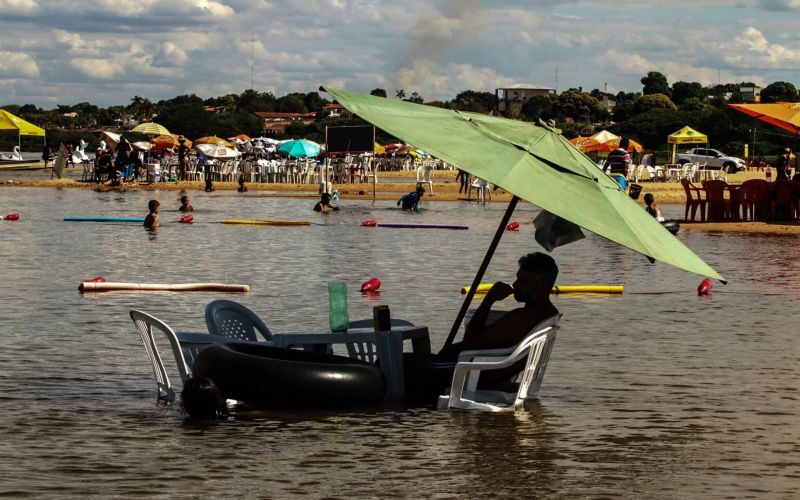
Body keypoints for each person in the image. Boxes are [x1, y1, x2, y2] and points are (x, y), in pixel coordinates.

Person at [433, 252, 560, 393]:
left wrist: (489, 300)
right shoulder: (548, 313)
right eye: (517, 279)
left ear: (540, 287)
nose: (515, 285)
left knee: (406, 364)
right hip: (486, 370)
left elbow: (469, 346)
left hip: (472, 374)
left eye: (523, 281)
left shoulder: (520, 318)